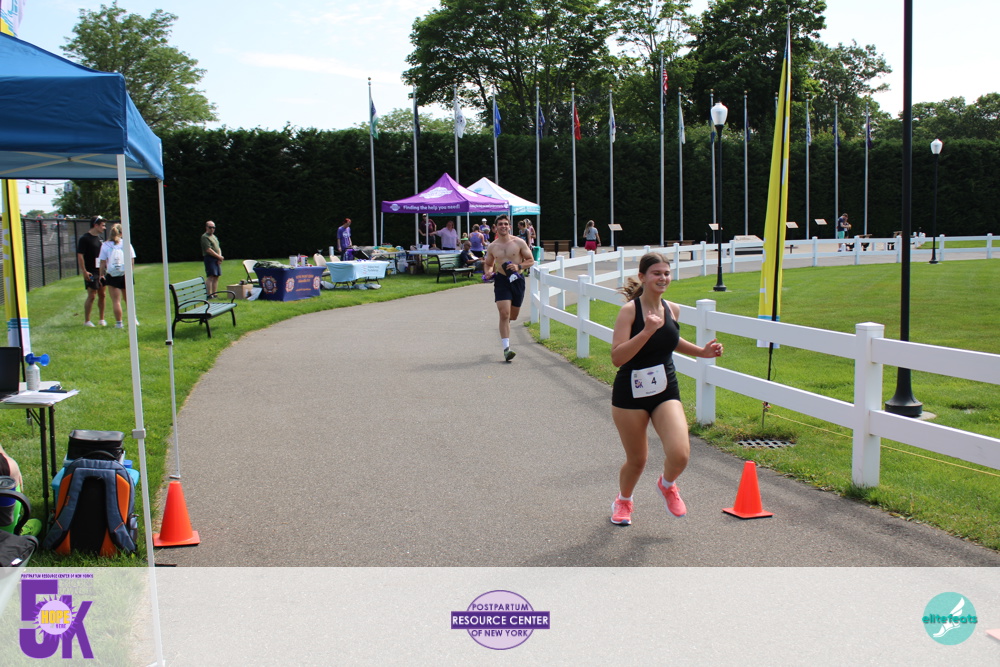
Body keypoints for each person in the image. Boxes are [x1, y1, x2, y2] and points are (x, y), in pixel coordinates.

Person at [609, 252, 723, 526]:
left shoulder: (672, 309)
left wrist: (702, 352)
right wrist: (646, 331)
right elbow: (617, 357)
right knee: (637, 460)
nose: (663, 278)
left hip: (664, 389)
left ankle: (667, 484)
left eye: (666, 273)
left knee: (680, 453)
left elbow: (670, 339)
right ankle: (623, 501)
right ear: (642, 277)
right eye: (656, 273)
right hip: (630, 393)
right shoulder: (630, 311)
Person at [483, 215, 535, 362]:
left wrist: (519, 266)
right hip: (501, 280)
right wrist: (488, 272)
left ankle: (506, 325)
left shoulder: (519, 242)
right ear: (495, 227)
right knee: (504, 313)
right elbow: (488, 263)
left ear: (510, 226)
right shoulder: (492, 246)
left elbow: (531, 260)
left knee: (512, 316)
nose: (503, 226)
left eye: (506, 224)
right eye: (500, 224)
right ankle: (506, 349)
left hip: (517, 280)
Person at [99, 223, 137, 328]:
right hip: (125, 273)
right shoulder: (126, 243)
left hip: (112, 274)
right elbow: (132, 259)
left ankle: (119, 323)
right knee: (128, 299)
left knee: (116, 301)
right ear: (121, 233)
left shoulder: (105, 245)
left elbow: (102, 262)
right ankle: (133, 319)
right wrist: (131, 272)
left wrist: (101, 274)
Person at [76, 216, 107, 327]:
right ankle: (87, 321)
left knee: (102, 294)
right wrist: (84, 271)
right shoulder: (84, 239)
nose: (104, 228)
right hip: (91, 271)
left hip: (101, 270)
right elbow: (80, 256)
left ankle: (101, 319)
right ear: (95, 225)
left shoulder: (100, 239)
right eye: (102, 225)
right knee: (92, 295)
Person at [201, 220, 223, 295]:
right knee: (211, 276)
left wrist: (219, 257)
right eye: (210, 227)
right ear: (206, 227)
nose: (212, 229)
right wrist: (218, 256)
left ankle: (215, 293)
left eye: (214, 227)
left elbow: (218, 247)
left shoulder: (214, 237)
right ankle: (209, 294)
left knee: (216, 276)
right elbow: (208, 250)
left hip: (216, 258)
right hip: (209, 258)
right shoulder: (204, 237)